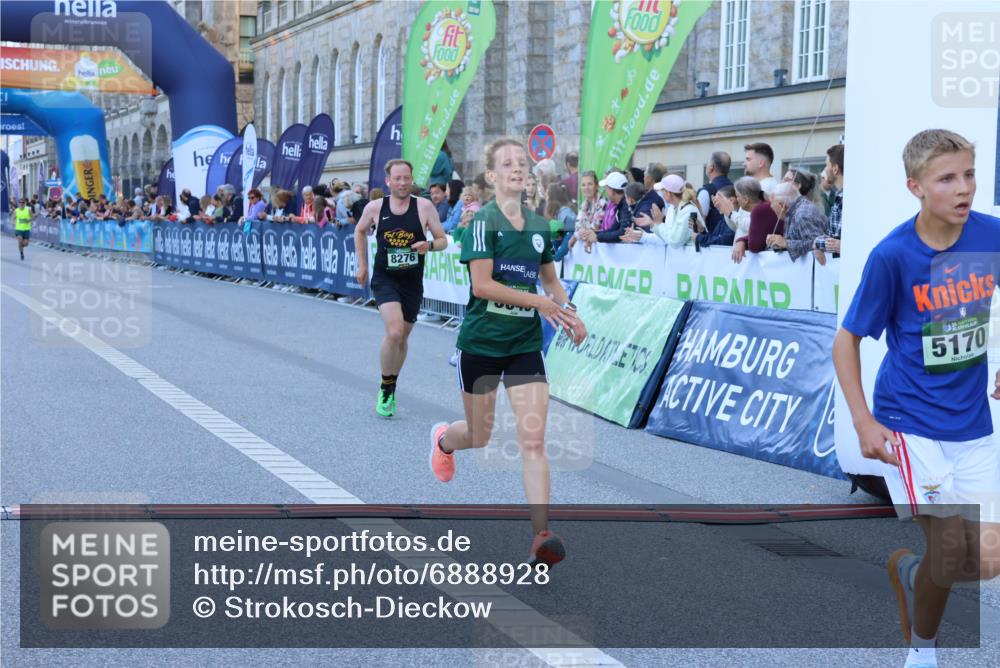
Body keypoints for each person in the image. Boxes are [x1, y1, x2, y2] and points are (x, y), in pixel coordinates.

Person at [832, 129, 1000, 668]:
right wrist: (862, 422)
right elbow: (846, 340)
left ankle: (910, 572)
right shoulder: (894, 255)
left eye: (969, 174)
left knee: (988, 560)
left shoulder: (990, 236)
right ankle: (922, 652)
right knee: (950, 555)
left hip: (972, 422)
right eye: (947, 178)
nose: (963, 188)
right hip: (910, 421)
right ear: (916, 187)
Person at [429, 137, 587, 568]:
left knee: (533, 440)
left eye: (523, 162)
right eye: (508, 163)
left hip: (523, 345)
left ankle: (542, 534)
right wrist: (539, 302)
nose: (518, 168)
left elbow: (550, 281)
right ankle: (443, 441)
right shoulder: (482, 223)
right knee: (479, 435)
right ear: (493, 176)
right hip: (480, 343)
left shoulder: (538, 226)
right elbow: (482, 286)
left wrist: (569, 311)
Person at [354, 159, 447, 418]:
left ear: (411, 179)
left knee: (403, 338)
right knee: (394, 332)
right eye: (398, 178)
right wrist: (362, 265)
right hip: (385, 279)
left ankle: (391, 385)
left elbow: (442, 241)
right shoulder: (375, 207)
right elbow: (359, 231)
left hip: (412, 282)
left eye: (407, 178)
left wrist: (429, 246)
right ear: (388, 181)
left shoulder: (424, 207)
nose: (403, 183)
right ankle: (385, 387)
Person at [624, 174, 704, 248]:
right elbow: (667, 237)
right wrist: (644, 235)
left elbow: (675, 242)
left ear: (668, 193)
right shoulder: (671, 209)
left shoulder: (688, 210)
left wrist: (658, 224)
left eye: (662, 190)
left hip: (693, 260)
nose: (659, 193)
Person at [765, 182, 829, 262]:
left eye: (773, 207)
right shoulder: (796, 210)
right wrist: (780, 245)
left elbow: (820, 244)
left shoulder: (802, 214)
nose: (773, 211)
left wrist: (786, 243)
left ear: (781, 206)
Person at [695, 151, 735, 247]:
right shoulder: (736, 188)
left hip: (710, 245)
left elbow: (699, 222)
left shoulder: (706, 191)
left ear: (711, 167)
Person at [816, 143, 844, 256]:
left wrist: (816, 243)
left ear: (835, 169)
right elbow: (832, 239)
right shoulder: (839, 197)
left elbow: (833, 241)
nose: (824, 170)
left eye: (826, 165)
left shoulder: (844, 199)